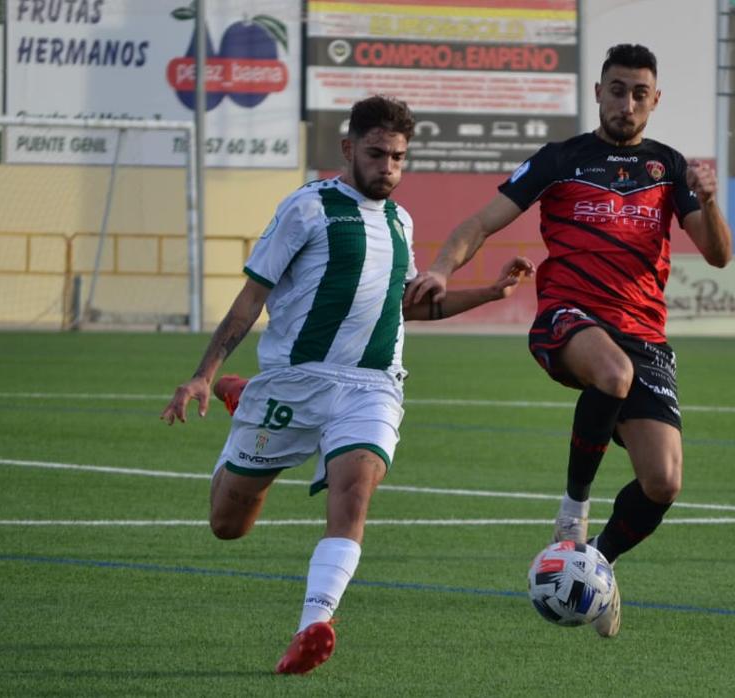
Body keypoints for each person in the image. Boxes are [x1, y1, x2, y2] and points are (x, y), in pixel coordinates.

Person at [159, 95, 533, 675]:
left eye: (399, 157)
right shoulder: (306, 209)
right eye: (378, 153)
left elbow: (410, 308)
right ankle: (241, 395)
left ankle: (313, 623)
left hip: (370, 387)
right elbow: (251, 299)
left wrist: (489, 293)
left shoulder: (400, 222)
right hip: (292, 384)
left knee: (354, 492)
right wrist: (203, 374)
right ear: (348, 149)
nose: (389, 167)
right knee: (227, 525)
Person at [407, 44, 732, 639]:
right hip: (570, 316)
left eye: (639, 93)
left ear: (654, 101)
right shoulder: (561, 159)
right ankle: (572, 515)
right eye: (616, 89)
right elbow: (480, 222)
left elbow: (717, 254)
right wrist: (443, 270)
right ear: (598, 92)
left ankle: (596, 566)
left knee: (663, 482)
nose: (627, 103)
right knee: (611, 373)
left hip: (646, 336)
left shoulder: (670, 167)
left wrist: (708, 201)